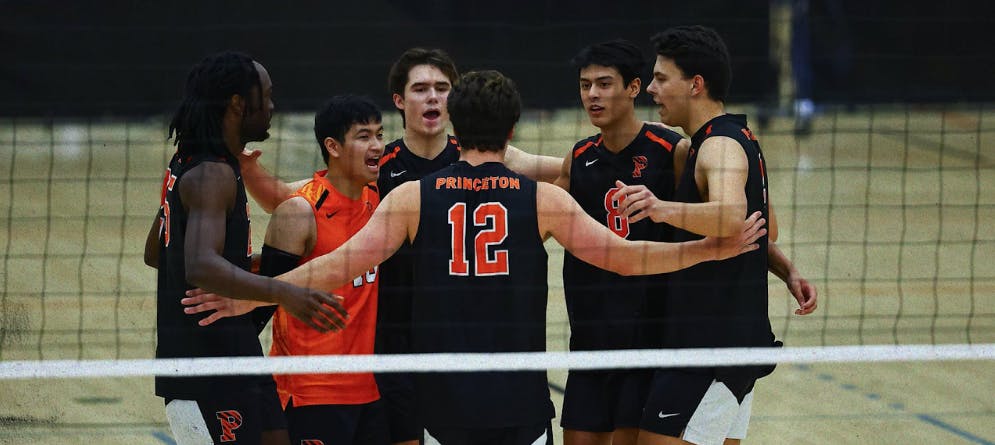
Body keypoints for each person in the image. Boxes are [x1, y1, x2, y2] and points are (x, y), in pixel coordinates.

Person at [183, 69, 767, 445]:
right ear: (512, 128)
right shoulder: (545, 200)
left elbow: (334, 267)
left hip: (444, 403)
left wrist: (250, 297)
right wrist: (708, 247)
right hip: (519, 401)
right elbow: (626, 258)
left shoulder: (412, 197)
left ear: (455, 128)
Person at [235, 47, 561, 445]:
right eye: (421, 88)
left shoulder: (486, 154)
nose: (433, 97)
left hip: (453, 336)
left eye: (443, 88)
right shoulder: (377, 165)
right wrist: (248, 169)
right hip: (385, 339)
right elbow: (299, 201)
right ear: (399, 101)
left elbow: (571, 169)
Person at [613, 26, 812, 444]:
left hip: (712, 348)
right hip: (724, 342)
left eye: (662, 78)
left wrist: (658, 207)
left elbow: (731, 216)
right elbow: (766, 228)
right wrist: (787, 270)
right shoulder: (735, 138)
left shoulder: (719, 147)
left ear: (695, 84)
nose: (651, 88)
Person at [143, 51, 347, 445]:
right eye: (266, 97)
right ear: (238, 104)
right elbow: (200, 265)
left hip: (235, 354)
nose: (272, 107)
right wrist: (284, 291)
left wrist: (241, 263)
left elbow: (158, 251)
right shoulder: (212, 172)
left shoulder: (191, 161)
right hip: (203, 367)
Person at [217, 95, 388, 444]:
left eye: (380, 134)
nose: (377, 146)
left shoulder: (379, 200)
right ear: (333, 146)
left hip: (367, 389)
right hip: (310, 390)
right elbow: (263, 303)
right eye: (364, 136)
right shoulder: (301, 211)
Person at [553, 39, 686, 445]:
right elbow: (538, 222)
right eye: (585, 85)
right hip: (590, 342)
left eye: (604, 84)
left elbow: (722, 217)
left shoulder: (671, 151)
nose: (592, 95)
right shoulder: (579, 158)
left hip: (646, 344)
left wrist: (783, 267)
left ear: (633, 88)